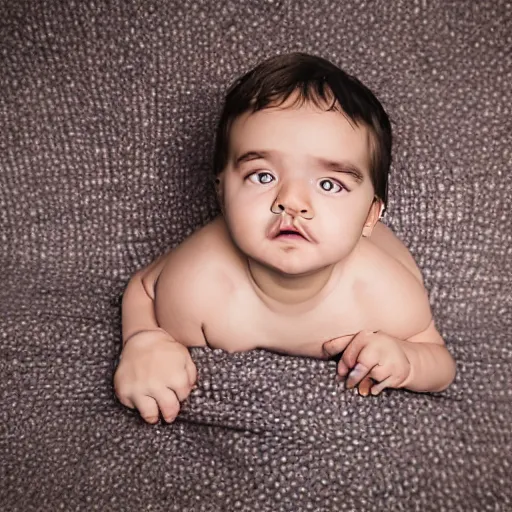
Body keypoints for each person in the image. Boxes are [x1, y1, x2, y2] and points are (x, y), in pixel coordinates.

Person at [114, 52, 456, 424]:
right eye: (262, 176)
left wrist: (407, 361)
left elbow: (440, 363)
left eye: (329, 184)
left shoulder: (385, 296)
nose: (291, 202)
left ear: (371, 215)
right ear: (221, 193)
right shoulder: (199, 281)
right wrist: (143, 340)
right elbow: (144, 289)